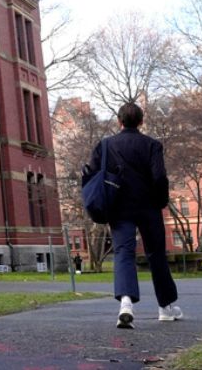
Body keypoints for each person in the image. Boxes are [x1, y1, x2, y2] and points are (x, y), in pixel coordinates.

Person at [84, 102, 182, 329]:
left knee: (123, 253)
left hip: (118, 207)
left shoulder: (105, 145)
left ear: (119, 122)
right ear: (141, 121)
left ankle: (126, 304)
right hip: (148, 206)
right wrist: (160, 201)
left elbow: (92, 173)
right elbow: (159, 177)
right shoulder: (152, 145)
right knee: (156, 254)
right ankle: (165, 307)